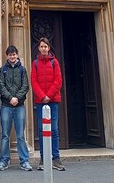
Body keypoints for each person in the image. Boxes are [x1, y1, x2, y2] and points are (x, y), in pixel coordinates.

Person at [30, 37, 65, 171]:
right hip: (41, 101)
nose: (43, 49)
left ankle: (56, 158)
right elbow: (34, 82)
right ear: (38, 48)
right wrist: (42, 96)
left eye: (45, 46)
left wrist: (48, 96)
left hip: (53, 100)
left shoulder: (54, 62)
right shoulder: (35, 64)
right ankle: (44, 158)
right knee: (41, 130)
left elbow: (58, 80)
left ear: (49, 48)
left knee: (54, 130)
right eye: (41, 47)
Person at [0, 46, 32, 172]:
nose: (12, 57)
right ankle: (4, 160)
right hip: (6, 105)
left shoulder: (22, 69)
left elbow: (26, 85)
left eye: (14, 54)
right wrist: (10, 98)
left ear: (17, 55)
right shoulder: (3, 70)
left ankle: (24, 161)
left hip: (20, 106)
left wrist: (17, 97)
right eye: (10, 55)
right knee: (5, 135)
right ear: (7, 56)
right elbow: (1, 85)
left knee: (20, 135)